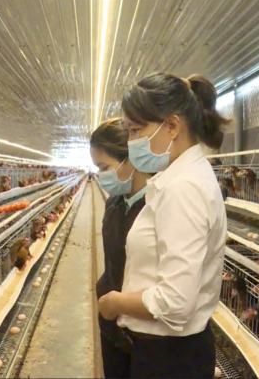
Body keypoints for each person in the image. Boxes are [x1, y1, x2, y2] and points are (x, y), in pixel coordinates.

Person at [97, 72, 230, 378]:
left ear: (171, 126)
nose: (131, 143)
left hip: (169, 358)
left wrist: (116, 302)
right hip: (166, 352)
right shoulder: (181, 179)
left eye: (135, 131)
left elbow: (174, 301)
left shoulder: (182, 189)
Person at [90, 118, 151, 378]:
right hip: (113, 324)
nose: (101, 175)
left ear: (130, 159)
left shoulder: (156, 205)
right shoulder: (114, 203)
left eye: (105, 167)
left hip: (145, 331)